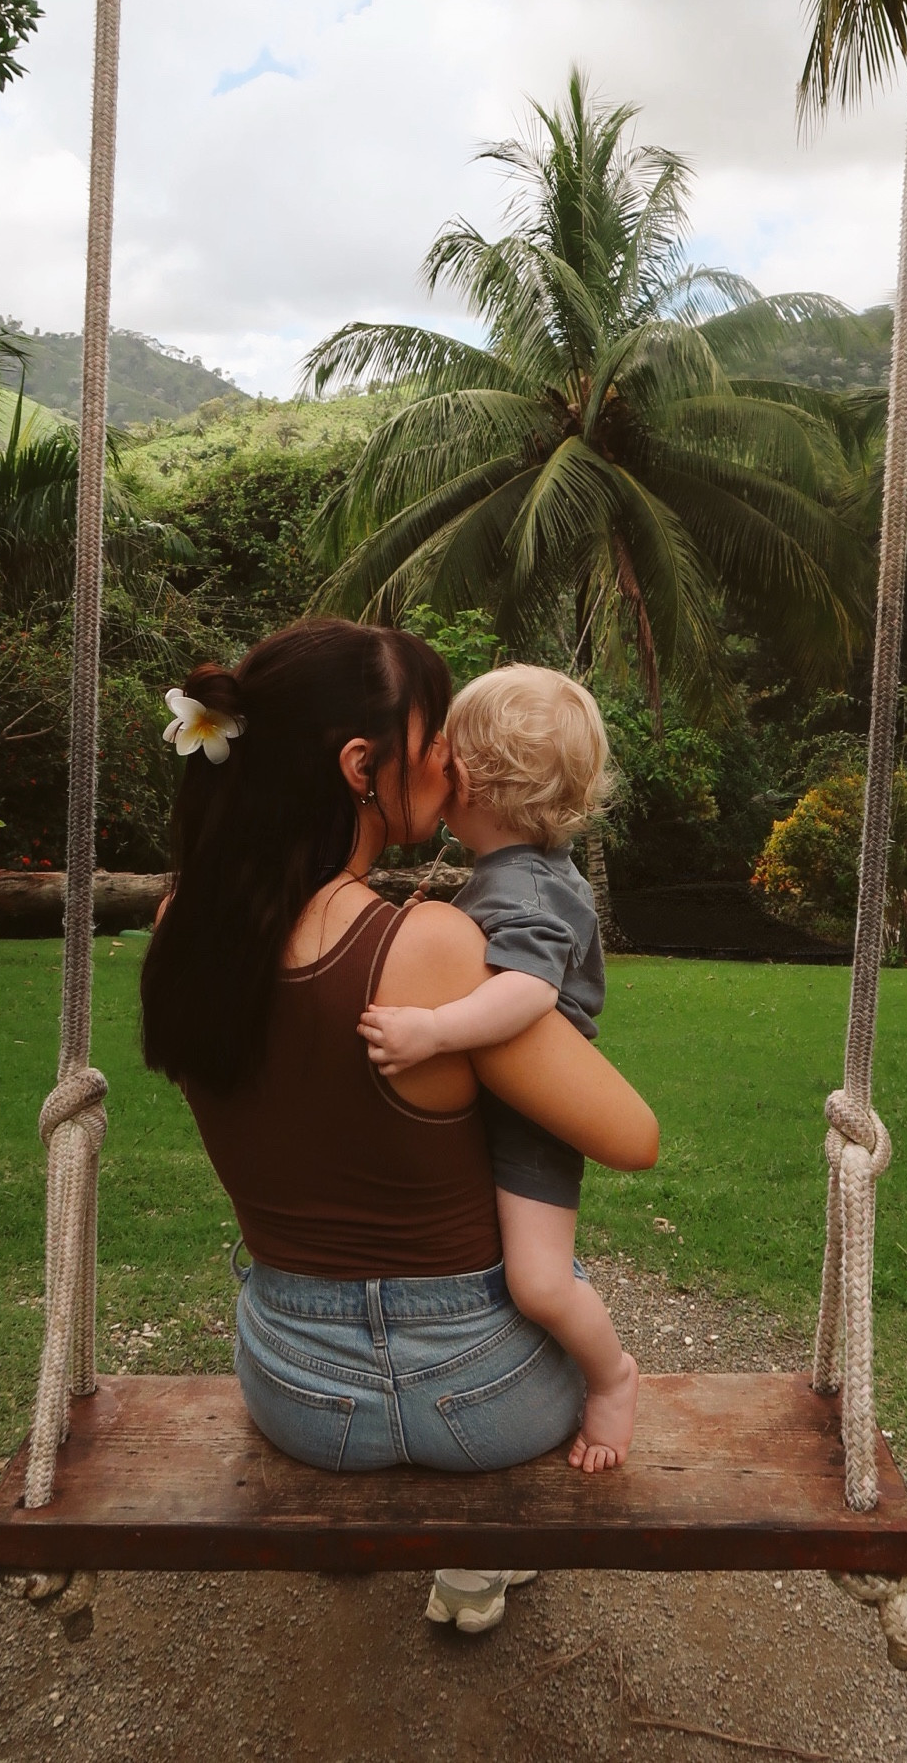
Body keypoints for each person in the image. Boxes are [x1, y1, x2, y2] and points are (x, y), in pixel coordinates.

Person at [141, 618, 658, 1634]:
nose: (447, 759)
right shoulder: (431, 945)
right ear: (359, 766)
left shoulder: (183, 924)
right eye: (431, 735)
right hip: (485, 1400)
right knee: (552, 1281)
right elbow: (630, 1136)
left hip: (295, 1396)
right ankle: (477, 1558)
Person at [357, 665, 638, 1472]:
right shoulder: (519, 873)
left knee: (541, 1282)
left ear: (465, 778)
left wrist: (435, 1029)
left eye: (442, 751)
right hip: (502, 1106)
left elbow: (524, 991)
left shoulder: (526, 885)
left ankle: (612, 1376)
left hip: (533, 1122)